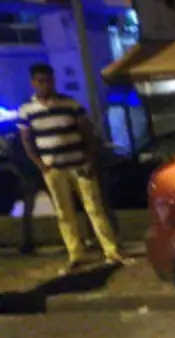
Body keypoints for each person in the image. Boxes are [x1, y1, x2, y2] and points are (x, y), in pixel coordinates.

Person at [17, 62, 126, 274]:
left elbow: (88, 133)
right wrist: (40, 165)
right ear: (33, 83)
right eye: (41, 81)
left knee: (94, 208)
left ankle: (111, 251)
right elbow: (27, 141)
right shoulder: (27, 111)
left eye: (49, 80)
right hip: (53, 169)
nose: (46, 85)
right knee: (64, 213)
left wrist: (89, 160)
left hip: (79, 166)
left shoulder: (70, 104)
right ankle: (76, 254)